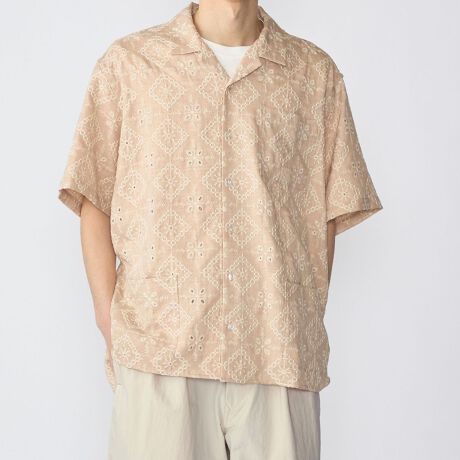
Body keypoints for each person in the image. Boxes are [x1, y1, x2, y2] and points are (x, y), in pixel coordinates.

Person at [57, 1, 383, 458]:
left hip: (276, 352)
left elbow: (328, 211)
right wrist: (108, 321)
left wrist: (298, 318)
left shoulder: (314, 74)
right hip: (160, 351)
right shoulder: (130, 64)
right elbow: (94, 195)